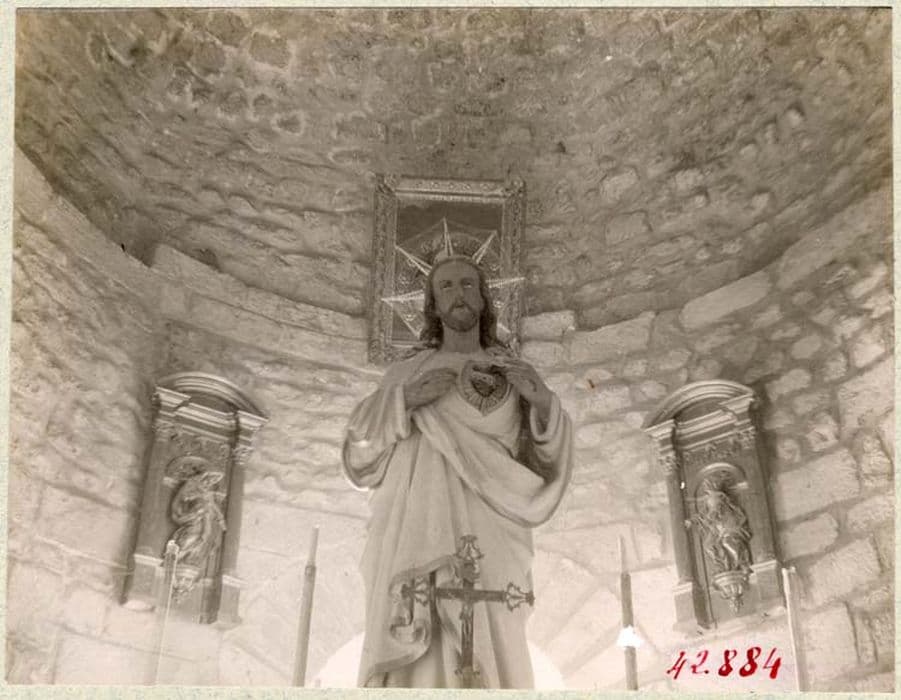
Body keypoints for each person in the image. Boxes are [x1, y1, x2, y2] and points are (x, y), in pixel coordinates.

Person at [342, 250, 573, 688]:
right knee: (421, 648)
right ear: (433, 305)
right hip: (416, 529)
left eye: (468, 284)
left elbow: (545, 463)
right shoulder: (406, 374)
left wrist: (543, 402)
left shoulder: (514, 375)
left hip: (492, 530)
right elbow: (359, 451)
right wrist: (406, 400)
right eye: (445, 286)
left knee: (493, 633)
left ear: (484, 298)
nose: (458, 294)